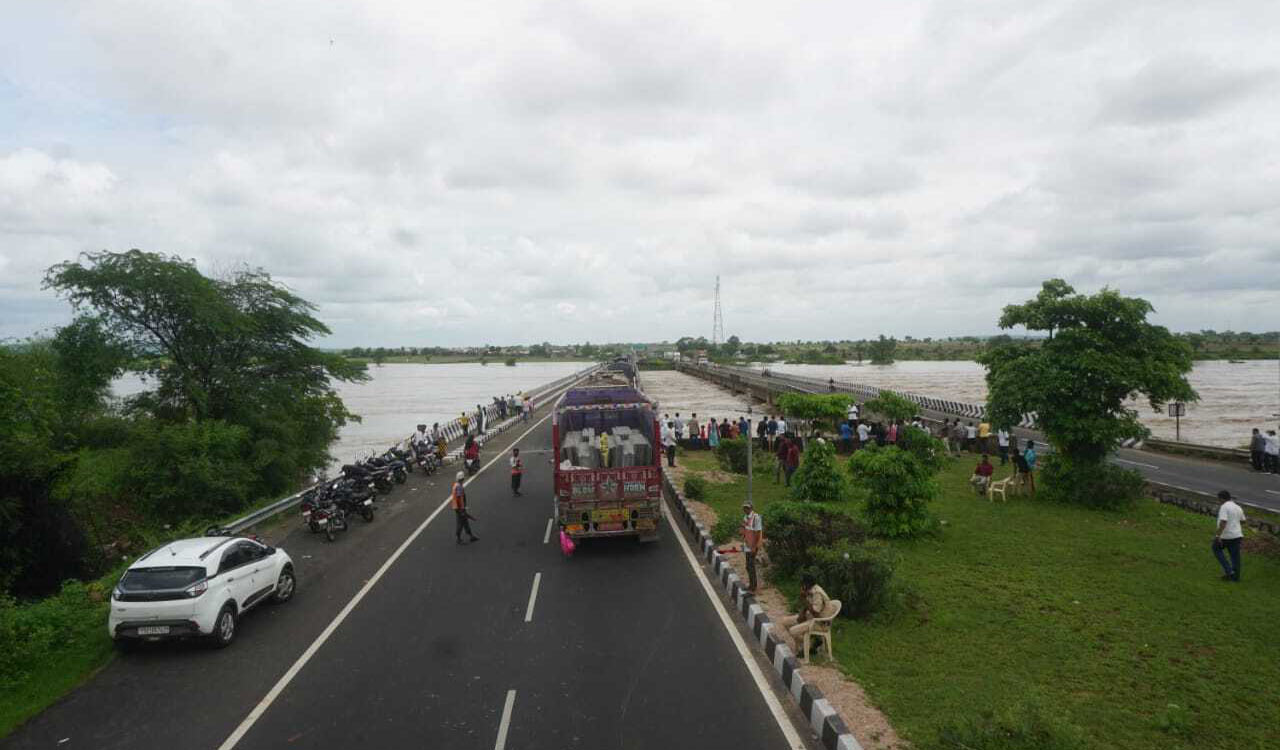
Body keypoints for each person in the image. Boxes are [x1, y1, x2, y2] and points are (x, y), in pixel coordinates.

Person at [779, 574, 837, 655]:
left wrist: (804, 600)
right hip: (811, 617)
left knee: (792, 631)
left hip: (820, 622)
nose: (801, 585)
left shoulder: (817, 593)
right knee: (784, 621)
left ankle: (811, 644)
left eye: (803, 583)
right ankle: (808, 644)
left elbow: (816, 613)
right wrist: (802, 614)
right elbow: (808, 605)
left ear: (807, 584)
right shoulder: (809, 591)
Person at [1212, 490, 1245, 581]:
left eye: (1219, 499)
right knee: (1235, 556)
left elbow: (1223, 522)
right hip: (1237, 535)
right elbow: (1243, 520)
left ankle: (1229, 570)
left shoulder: (1224, 507)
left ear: (1222, 499)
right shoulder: (1238, 507)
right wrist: (1234, 524)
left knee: (1216, 548)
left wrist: (1218, 535)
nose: (1219, 501)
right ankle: (1235, 577)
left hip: (1226, 536)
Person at [740, 500, 763, 591]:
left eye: (747, 508)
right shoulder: (745, 517)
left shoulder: (756, 518)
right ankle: (752, 584)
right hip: (747, 544)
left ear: (751, 508)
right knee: (748, 565)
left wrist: (754, 546)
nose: (745, 509)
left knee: (750, 565)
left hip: (753, 545)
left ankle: (753, 586)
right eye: (744, 508)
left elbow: (757, 533)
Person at [452, 471, 478, 544]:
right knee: (461, 523)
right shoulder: (459, 487)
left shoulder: (455, 485)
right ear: (462, 479)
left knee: (465, 522)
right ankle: (458, 538)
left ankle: (471, 536)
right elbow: (460, 498)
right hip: (459, 508)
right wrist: (462, 509)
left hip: (457, 507)